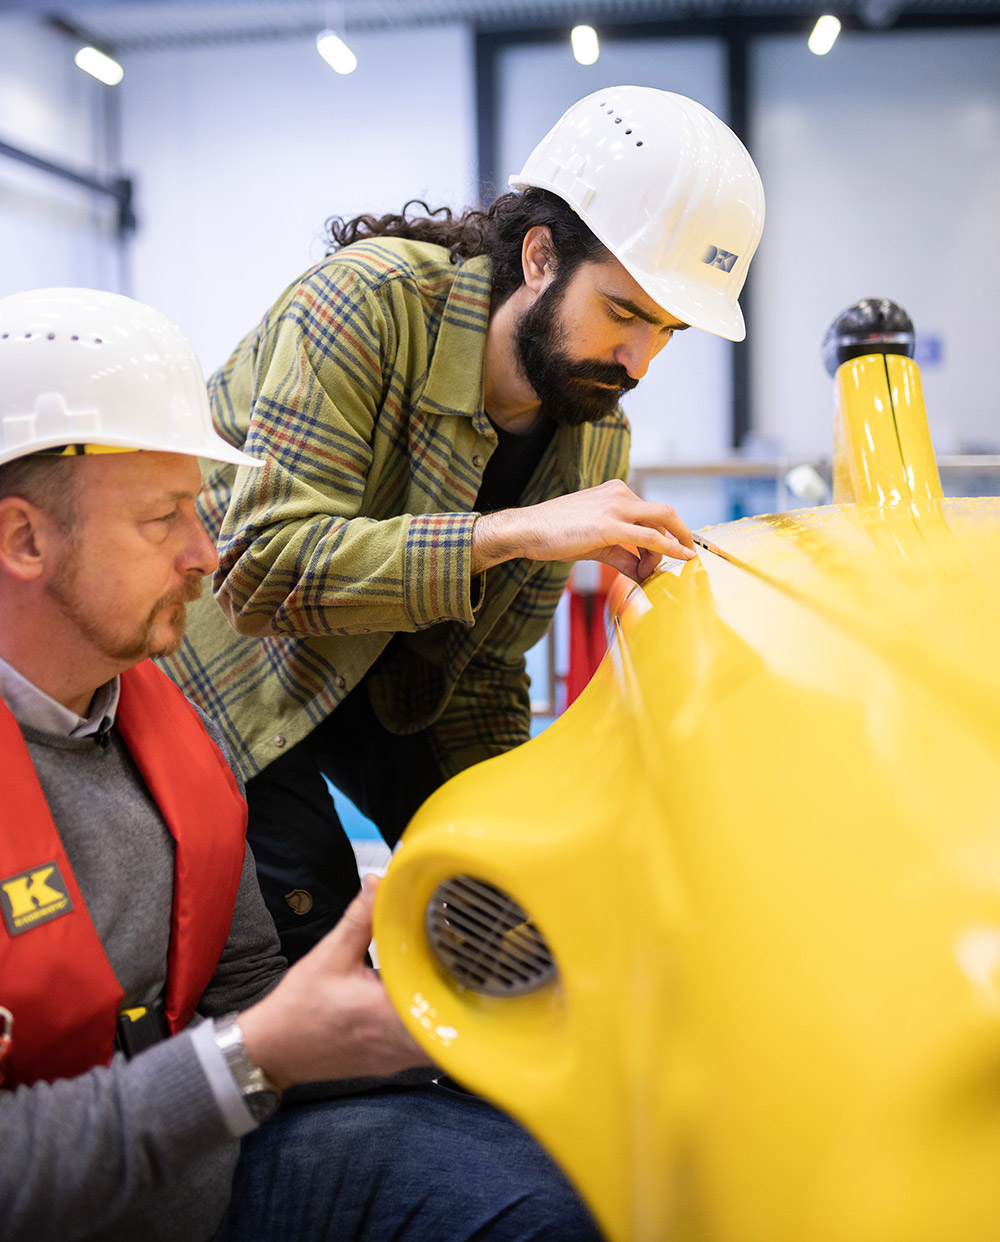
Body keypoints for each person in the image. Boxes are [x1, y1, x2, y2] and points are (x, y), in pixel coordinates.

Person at [0, 286, 604, 1242]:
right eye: (163, 519)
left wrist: (437, 1032)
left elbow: (244, 992)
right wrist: (258, 1056)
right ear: (24, 539)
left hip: (199, 1172)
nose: (206, 554)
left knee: (554, 1184)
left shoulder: (171, 726)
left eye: (200, 510)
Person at [160, 85, 766, 962]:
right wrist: (514, 532)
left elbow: (480, 670)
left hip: (390, 687)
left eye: (670, 331)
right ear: (538, 257)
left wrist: (519, 836)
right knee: (310, 953)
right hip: (232, 675)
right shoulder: (363, 306)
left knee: (524, 929)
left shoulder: (596, 435)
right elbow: (259, 572)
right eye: (625, 312)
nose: (639, 360)